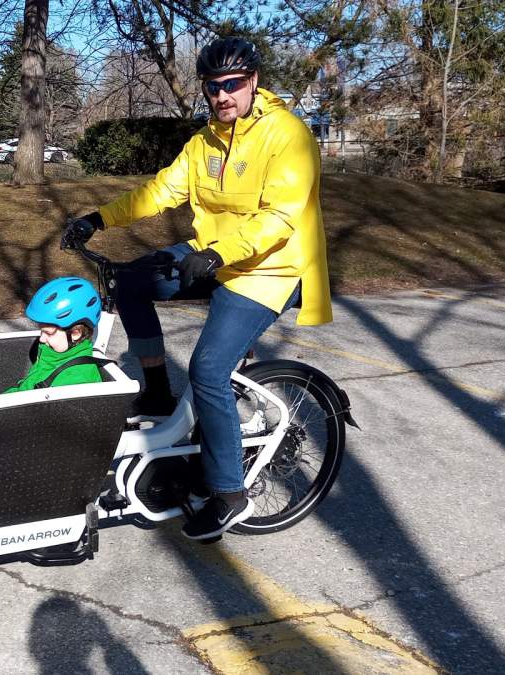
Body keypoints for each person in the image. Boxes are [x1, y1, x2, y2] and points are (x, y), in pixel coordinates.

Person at [61, 37, 333, 541]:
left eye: (233, 84)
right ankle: (159, 393)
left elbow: (280, 217)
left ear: (253, 82)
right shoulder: (206, 140)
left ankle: (229, 493)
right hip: (216, 253)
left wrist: (216, 256)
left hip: (268, 268)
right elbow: (161, 191)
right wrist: (99, 218)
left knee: (209, 368)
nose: (223, 95)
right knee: (130, 282)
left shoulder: (287, 135)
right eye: (213, 87)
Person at [5, 277, 105, 393]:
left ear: (75, 333)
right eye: (41, 331)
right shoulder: (54, 354)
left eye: (48, 333)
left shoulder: (75, 383)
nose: (41, 339)